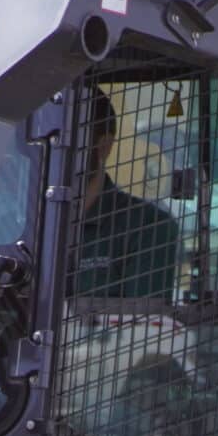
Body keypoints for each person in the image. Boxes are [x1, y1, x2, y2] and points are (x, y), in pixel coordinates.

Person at [73, 88, 182, 300]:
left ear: (103, 146)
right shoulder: (23, 225)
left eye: (68, 141)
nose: (53, 153)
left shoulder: (148, 227)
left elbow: (143, 327)